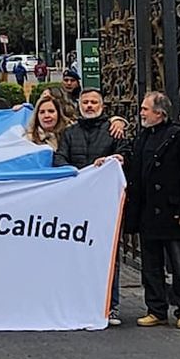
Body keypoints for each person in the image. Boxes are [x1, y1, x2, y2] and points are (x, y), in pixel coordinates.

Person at [124, 92, 180, 329]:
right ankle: (156, 309)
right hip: (149, 215)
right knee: (151, 268)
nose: (142, 113)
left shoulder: (179, 137)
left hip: (174, 214)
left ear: (160, 113)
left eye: (145, 109)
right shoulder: (143, 137)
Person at [54, 87, 130, 325]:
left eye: (93, 102)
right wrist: (76, 175)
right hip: (76, 206)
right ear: (78, 105)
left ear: (102, 106)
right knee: (74, 254)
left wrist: (114, 160)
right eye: (85, 102)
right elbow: (59, 159)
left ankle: (111, 305)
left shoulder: (113, 130)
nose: (89, 106)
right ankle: (78, 303)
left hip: (105, 207)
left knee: (109, 256)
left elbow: (125, 153)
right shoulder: (69, 133)